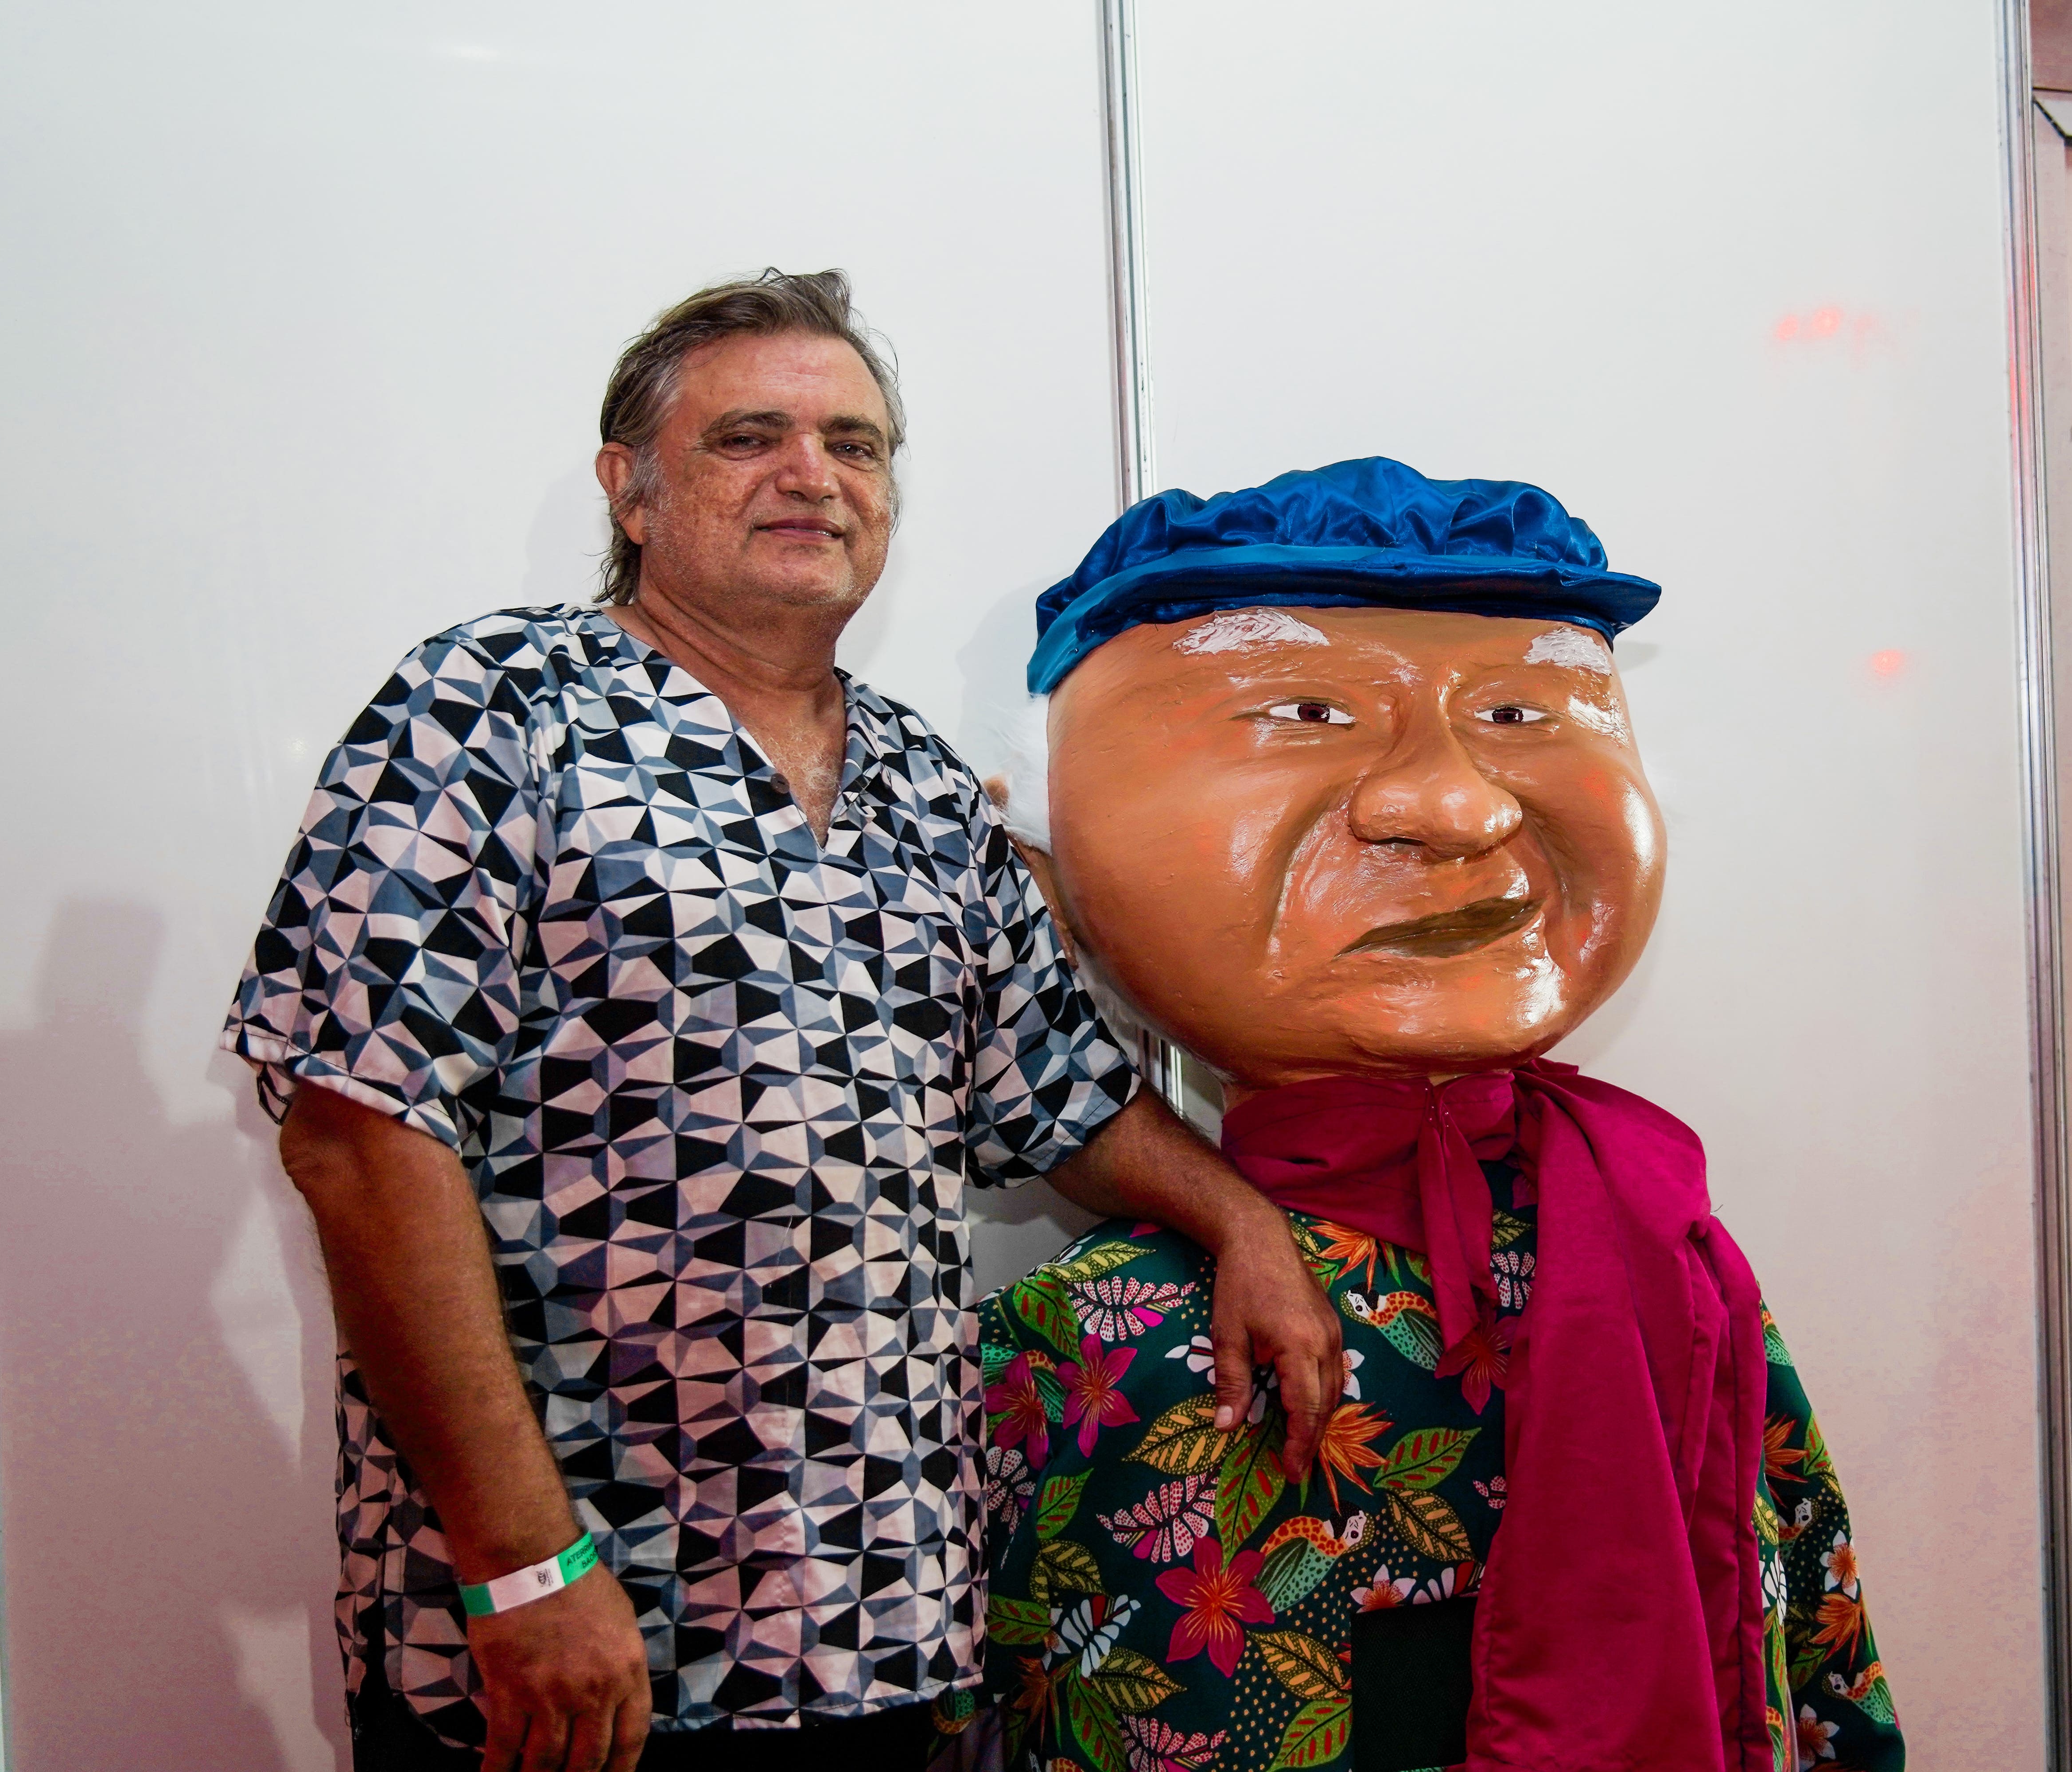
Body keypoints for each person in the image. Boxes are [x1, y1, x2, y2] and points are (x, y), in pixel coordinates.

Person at [224, 270, 1339, 1772]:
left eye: (857, 444)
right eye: (752, 435)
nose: (816, 474)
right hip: (567, 1647)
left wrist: (1246, 1226)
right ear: (630, 488)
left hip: (875, 1627)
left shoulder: (927, 788)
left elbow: (1067, 1102)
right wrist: (524, 1564)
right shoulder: (492, 706)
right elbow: (357, 1133)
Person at [960, 459, 1903, 1771]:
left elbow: (1801, 1614)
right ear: (1051, 859)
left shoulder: (1655, 1247)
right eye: (1303, 710)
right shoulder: (1097, 1332)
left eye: (1525, 712)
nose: (1458, 805)